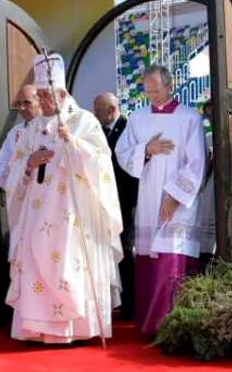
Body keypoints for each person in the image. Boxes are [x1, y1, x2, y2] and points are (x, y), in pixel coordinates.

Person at [3, 53, 123, 344]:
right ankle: (37, 328)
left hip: (72, 212)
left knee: (69, 265)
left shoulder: (84, 121)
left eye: (46, 96)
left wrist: (73, 143)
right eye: (40, 95)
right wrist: (30, 162)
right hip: (36, 210)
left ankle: (76, 329)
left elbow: (103, 163)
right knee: (33, 262)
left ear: (62, 93)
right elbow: (14, 169)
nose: (42, 102)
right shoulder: (30, 128)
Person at [115, 64, 206, 338]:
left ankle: (171, 327)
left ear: (170, 84)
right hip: (148, 195)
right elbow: (122, 152)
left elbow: (198, 162)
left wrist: (175, 197)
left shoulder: (189, 118)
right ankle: (148, 325)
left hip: (178, 201)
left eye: (156, 90)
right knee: (149, 259)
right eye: (147, 91)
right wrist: (146, 150)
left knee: (171, 259)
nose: (152, 96)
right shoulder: (138, 118)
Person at [93, 92, 138, 319]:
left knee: (125, 251)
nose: (94, 115)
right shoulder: (97, 132)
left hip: (125, 203)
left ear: (111, 110)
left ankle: (130, 303)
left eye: (98, 111)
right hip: (103, 204)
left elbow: (132, 172)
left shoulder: (129, 130)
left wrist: (134, 204)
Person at [0, 84, 42, 189]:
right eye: (18, 104)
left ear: (40, 102)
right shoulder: (15, 132)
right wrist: (15, 192)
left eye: (27, 103)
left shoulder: (52, 128)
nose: (22, 108)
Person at [198, 100, 216, 272]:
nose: (211, 119)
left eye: (213, 114)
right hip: (210, 184)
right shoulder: (208, 137)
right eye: (208, 115)